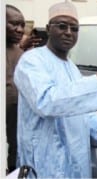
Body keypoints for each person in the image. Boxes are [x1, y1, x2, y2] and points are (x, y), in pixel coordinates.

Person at [13, 1, 97, 178]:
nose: (68, 32)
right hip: (45, 162)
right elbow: (46, 102)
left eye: (74, 28)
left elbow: (75, 111)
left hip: (75, 162)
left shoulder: (72, 68)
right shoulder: (31, 61)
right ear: (48, 28)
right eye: (62, 26)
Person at [6, 4, 26, 173]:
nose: (20, 30)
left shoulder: (21, 52)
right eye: (14, 24)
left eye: (22, 25)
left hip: (16, 121)